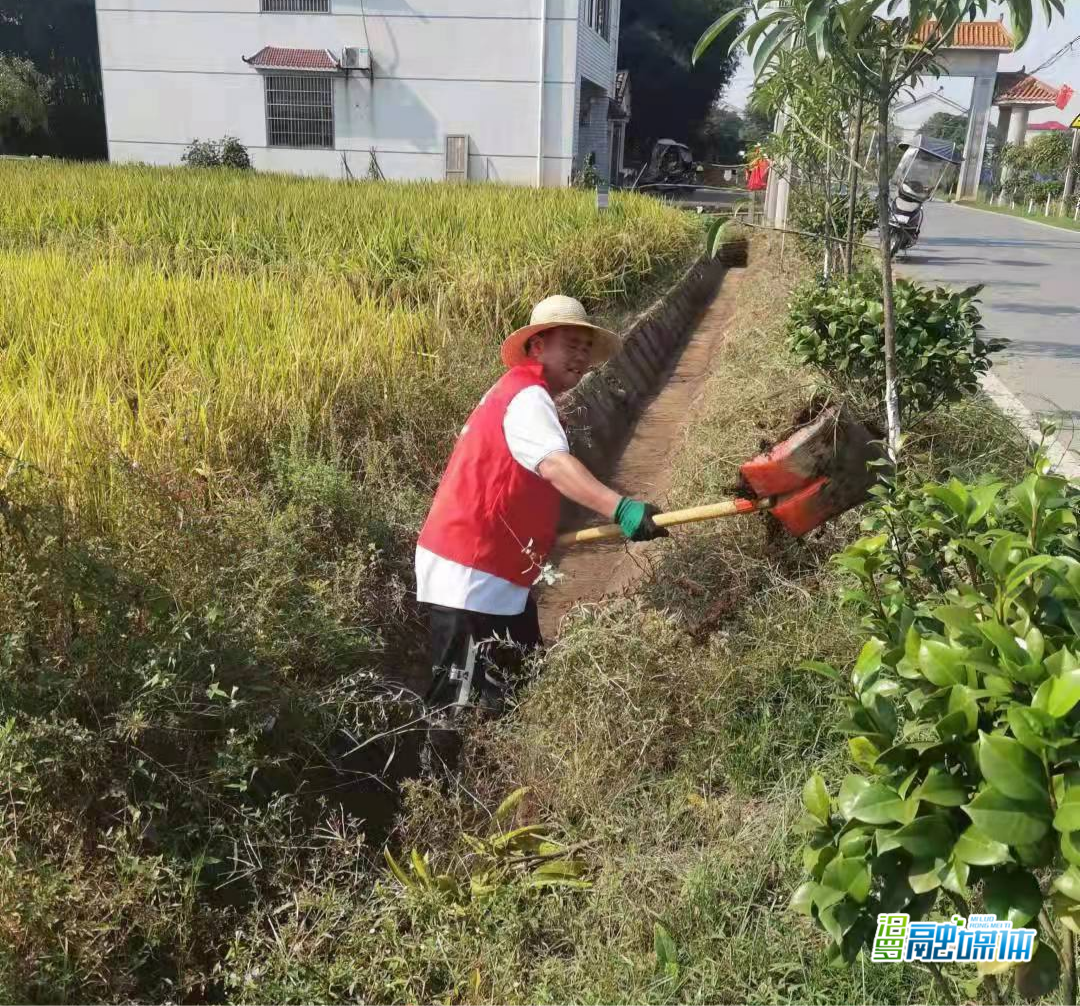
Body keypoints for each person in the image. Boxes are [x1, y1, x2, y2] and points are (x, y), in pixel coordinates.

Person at [415, 294, 668, 713]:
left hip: (495, 572)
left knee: (523, 679)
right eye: (571, 344)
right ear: (537, 346)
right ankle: (437, 779)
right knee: (456, 705)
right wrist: (621, 509)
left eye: (587, 348)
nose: (581, 356)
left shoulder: (521, 393)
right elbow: (553, 465)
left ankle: (506, 764)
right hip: (469, 573)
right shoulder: (527, 398)